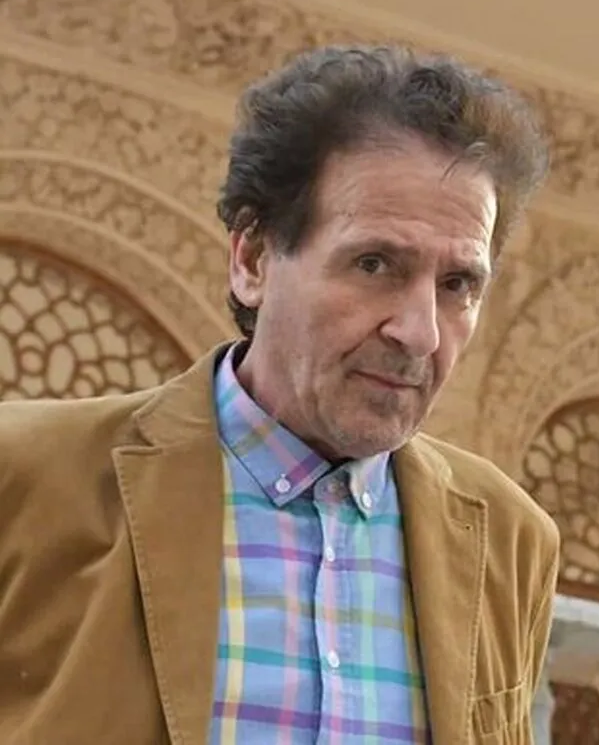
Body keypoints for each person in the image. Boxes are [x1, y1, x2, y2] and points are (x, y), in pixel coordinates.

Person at [0, 45, 560, 745]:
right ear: (253, 258)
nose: (419, 332)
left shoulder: (512, 538)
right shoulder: (26, 475)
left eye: (458, 285)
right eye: (375, 264)